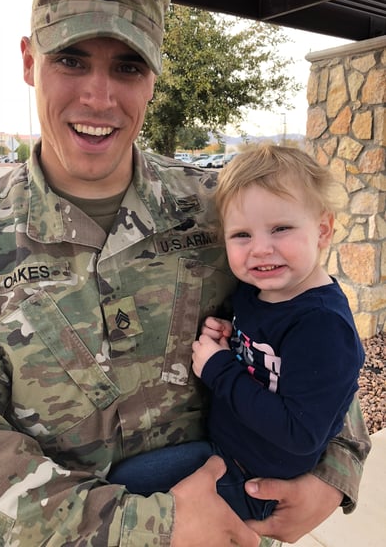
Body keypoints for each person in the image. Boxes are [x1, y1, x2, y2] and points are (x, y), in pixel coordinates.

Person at [0, 0, 370, 547]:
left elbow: (311, 331)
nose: (99, 95)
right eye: (71, 59)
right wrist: (150, 528)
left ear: (153, 77)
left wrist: (333, 467)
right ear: (30, 61)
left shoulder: (219, 213)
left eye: (127, 67)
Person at [108, 143, 365, 521]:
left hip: (253, 482)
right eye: (241, 235)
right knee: (120, 484)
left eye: (281, 228)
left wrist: (218, 368)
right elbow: (272, 353)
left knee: (130, 501)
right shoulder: (262, 293)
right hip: (224, 455)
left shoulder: (323, 326)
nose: (261, 249)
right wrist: (234, 333)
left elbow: (300, 432)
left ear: (323, 230)